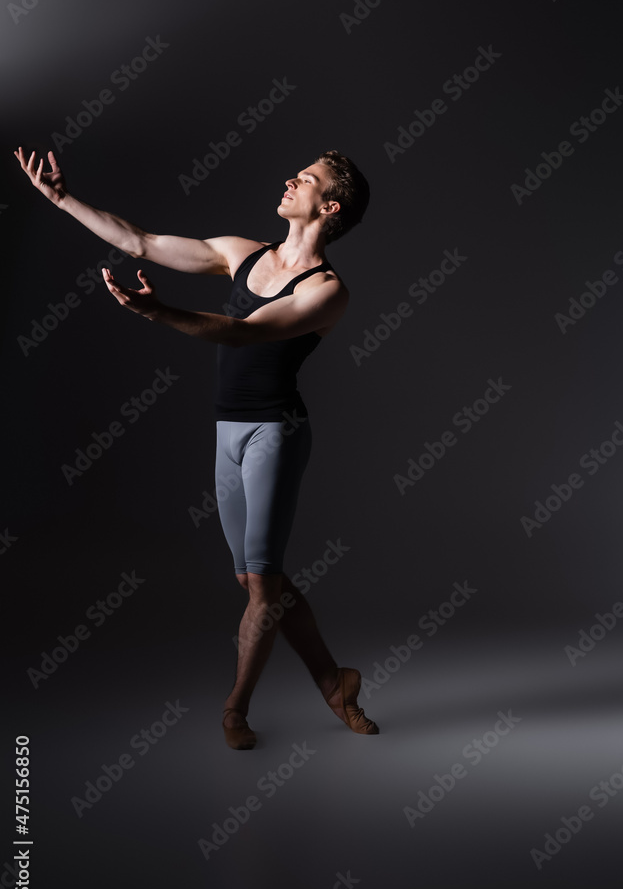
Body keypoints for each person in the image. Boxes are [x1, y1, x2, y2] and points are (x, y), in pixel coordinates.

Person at [14, 144, 379, 749]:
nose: (291, 178)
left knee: (262, 584)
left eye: (307, 178)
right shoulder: (242, 253)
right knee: (254, 579)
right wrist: (61, 198)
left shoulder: (327, 290)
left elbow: (242, 333)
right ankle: (335, 681)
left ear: (329, 206)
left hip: (274, 432)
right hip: (227, 432)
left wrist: (158, 313)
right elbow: (141, 241)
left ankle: (235, 710)